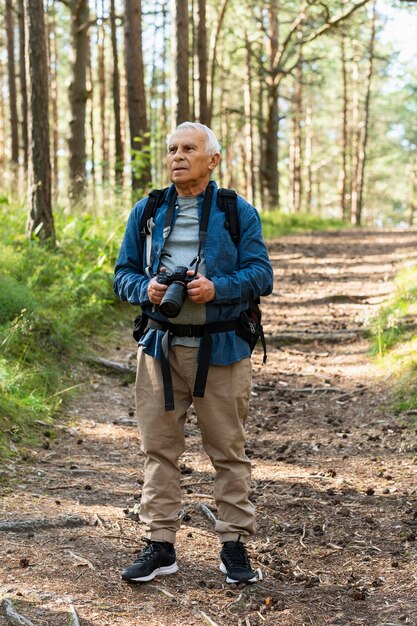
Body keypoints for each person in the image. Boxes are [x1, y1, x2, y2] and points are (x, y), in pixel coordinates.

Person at [113, 122, 273, 585]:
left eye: (189, 149)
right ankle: (160, 546)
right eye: (172, 149)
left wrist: (216, 287)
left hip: (220, 349)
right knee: (158, 451)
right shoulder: (147, 210)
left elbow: (261, 274)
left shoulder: (236, 211)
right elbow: (122, 273)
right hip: (158, 348)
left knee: (228, 451)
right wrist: (147, 287)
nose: (178, 156)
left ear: (213, 160)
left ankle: (234, 546)